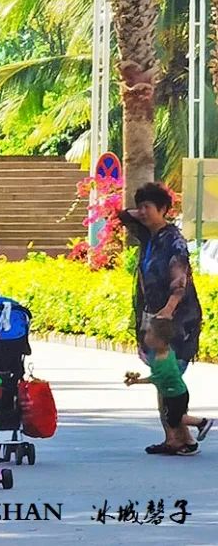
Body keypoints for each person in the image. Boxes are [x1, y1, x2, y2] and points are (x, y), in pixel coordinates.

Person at [118, 183, 203, 376]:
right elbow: (124, 215)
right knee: (161, 376)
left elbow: (180, 281)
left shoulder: (174, 240)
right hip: (154, 317)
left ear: (163, 209)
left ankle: (175, 401)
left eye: (147, 207)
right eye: (140, 207)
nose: (142, 212)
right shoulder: (148, 236)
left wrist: (168, 310)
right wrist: (145, 212)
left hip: (176, 319)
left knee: (169, 377)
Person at [125, 316, 212, 455]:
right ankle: (190, 444)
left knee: (175, 418)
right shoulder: (164, 352)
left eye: (149, 333)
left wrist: (137, 381)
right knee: (175, 418)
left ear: (159, 341)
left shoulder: (163, 361)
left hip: (175, 394)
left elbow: (156, 378)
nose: (146, 336)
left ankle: (201, 423)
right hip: (173, 392)